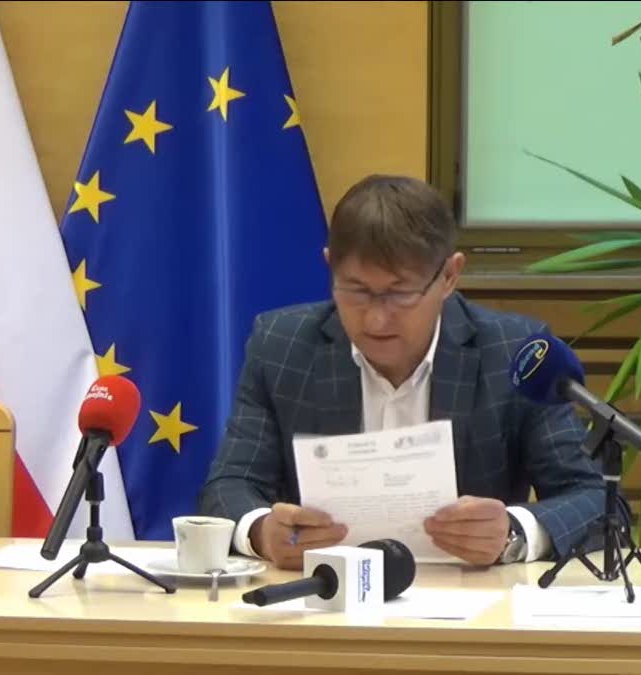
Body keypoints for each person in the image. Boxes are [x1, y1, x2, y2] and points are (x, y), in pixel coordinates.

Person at [199, 175, 605, 569]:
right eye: (356, 291)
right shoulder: (282, 346)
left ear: (449, 276)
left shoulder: (513, 353)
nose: (376, 319)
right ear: (329, 266)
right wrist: (261, 532)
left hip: (469, 601)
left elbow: (594, 498)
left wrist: (512, 534)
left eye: (400, 293)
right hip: (323, 597)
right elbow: (228, 486)